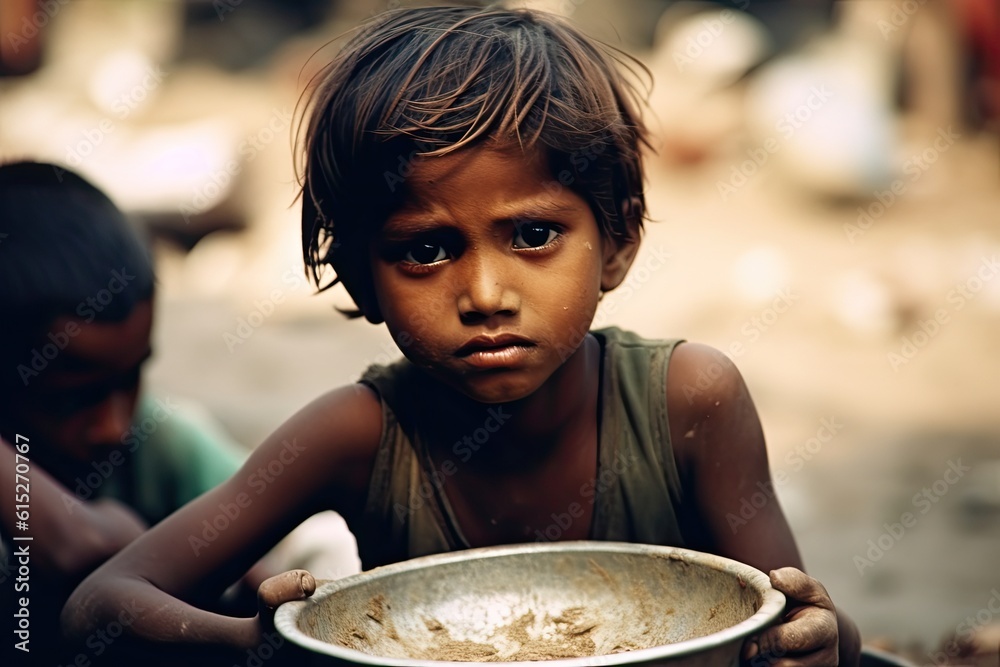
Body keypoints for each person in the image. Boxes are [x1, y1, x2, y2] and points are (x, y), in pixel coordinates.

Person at [63, 6, 861, 666]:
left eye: (534, 235)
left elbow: (805, 622)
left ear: (617, 241)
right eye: (425, 250)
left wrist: (821, 640)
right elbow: (99, 606)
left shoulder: (690, 402)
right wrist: (258, 646)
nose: (484, 294)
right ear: (360, 278)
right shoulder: (356, 436)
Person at [0, 161, 342, 664]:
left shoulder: (157, 438)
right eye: (71, 398)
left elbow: (301, 543)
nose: (114, 427)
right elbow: (80, 546)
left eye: (132, 378)